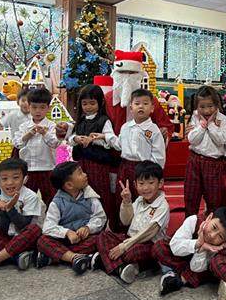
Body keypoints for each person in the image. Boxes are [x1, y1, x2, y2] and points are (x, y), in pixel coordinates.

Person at [93, 161, 170, 283]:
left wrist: (124, 247)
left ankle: (106, 260)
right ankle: (121, 268)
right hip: (130, 239)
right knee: (103, 236)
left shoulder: (162, 205)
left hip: (148, 243)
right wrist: (127, 202)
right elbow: (125, 221)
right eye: (141, 183)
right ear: (135, 184)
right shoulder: (139, 200)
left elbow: (149, 232)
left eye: (151, 183)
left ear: (160, 183)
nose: (145, 188)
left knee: (132, 253)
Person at [153, 206, 226, 295]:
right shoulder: (193, 221)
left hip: (196, 266)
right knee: (159, 248)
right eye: (214, 227)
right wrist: (198, 243)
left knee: (208, 269)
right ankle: (183, 277)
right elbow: (175, 247)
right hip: (180, 255)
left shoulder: (219, 247)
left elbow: (195, 268)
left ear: (225, 241)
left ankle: (174, 274)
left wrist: (202, 249)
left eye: (220, 236)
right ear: (209, 218)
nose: (212, 235)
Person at [36, 160, 107, 274]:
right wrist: (67, 233)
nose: (85, 175)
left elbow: (100, 217)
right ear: (69, 185)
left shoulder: (89, 195)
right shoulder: (57, 202)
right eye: (80, 173)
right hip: (64, 240)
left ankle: (56, 257)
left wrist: (88, 228)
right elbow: (48, 227)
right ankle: (76, 258)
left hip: (85, 239)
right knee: (43, 241)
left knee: (102, 238)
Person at [65, 83, 119, 229]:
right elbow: (70, 139)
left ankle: (108, 224)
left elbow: (110, 141)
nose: (88, 107)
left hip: (98, 164)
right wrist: (77, 139)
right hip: (82, 163)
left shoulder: (104, 120)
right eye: (85, 104)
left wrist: (94, 140)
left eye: (92, 103)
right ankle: (86, 223)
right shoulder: (81, 121)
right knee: (82, 192)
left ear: (100, 103)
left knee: (100, 192)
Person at [110, 88, 166, 214]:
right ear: (131, 108)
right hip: (125, 167)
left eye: (145, 103)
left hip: (144, 169)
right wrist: (105, 137)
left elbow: (159, 156)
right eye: (137, 103)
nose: (141, 106)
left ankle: (142, 223)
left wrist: (153, 174)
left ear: (152, 108)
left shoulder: (153, 130)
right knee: (123, 196)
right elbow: (119, 144)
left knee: (143, 198)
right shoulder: (126, 127)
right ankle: (124, 224)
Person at [183, 85, 226, 216]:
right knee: (191, 194)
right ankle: (190, 222)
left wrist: (211, 124)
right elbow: (192, 140)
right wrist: (202, 126)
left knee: (214, 197)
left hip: (214, 163)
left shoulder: (223, 119)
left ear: (217, 104)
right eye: (202, 107)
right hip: (195, 160)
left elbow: (221, 140)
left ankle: (213, 223)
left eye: (210, 106)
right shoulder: (195, 117)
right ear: (197, 106)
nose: (207, 110)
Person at [15, 87, 58, 201]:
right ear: (29, 107)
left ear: (48, 108)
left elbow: (54, 143)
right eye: (34, 107)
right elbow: (18, 144)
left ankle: (50, 213)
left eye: (42, 107)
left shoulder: (51, 126)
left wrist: (44, 133)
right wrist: (29, 134)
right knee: (27, 199)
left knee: (50, 198)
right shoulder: (24, 126)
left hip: (47, 168)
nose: (38, 111)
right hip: (28, 169)